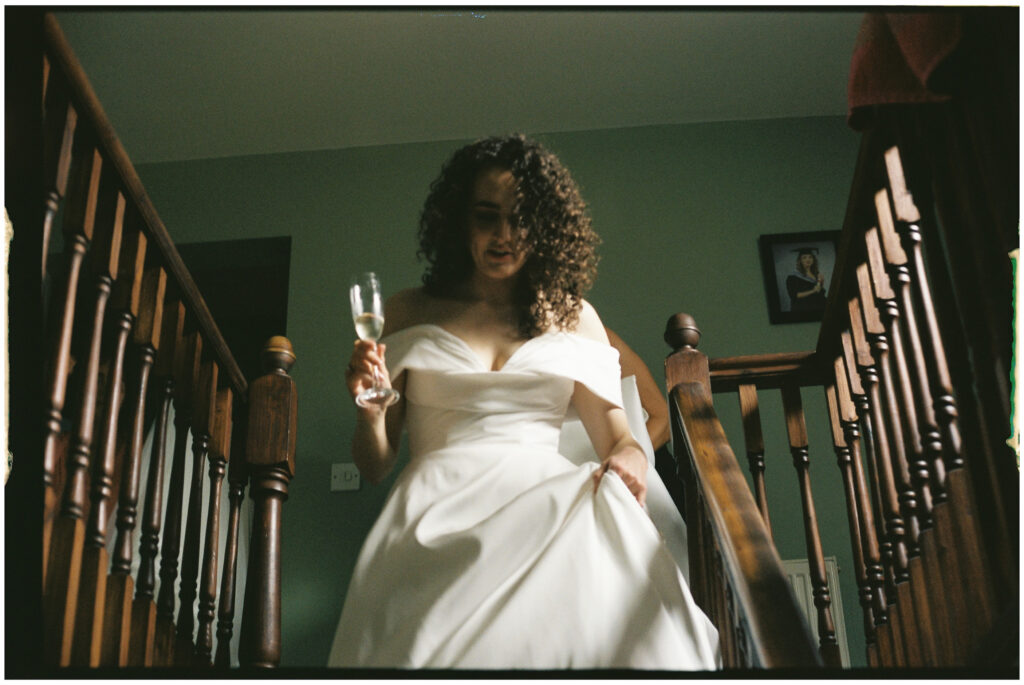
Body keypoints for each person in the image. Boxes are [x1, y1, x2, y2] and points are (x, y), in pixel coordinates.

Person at [329, 134, 719, 670]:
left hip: (547, 502)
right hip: (431, 511)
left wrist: (629, 456)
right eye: (486, 216)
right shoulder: (406, 310)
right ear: (458, 220)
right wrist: (370, 412)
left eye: (521, 218)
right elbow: (374, 465)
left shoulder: (575, 315)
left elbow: (618, 437)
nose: (504, 235)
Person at [785, 247, 827, 312]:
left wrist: (822, 282)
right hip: (804, 308)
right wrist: (813, 291)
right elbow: (795, 295)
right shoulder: (793, 277)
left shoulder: (816, 274)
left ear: (813, 259)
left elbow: (819, 292)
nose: (808, 259)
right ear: (800, 261)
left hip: (820, 306)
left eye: (810, 257)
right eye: (804, 257)